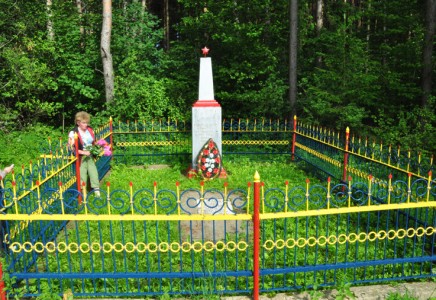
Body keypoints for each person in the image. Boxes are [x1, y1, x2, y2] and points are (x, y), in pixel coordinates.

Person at [68, 111, 100, 197]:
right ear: (78, 122)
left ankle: (97, 192)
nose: (86, 124)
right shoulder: (73, 133)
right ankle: (83, 194)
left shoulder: (90, 130)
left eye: (87, 122)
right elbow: (71, 148)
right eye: (83, 123)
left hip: (90, 156)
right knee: (82, 175)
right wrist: (83, 152)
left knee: (94, 173)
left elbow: (93, 141)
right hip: (80, 157)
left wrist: (97, 147)